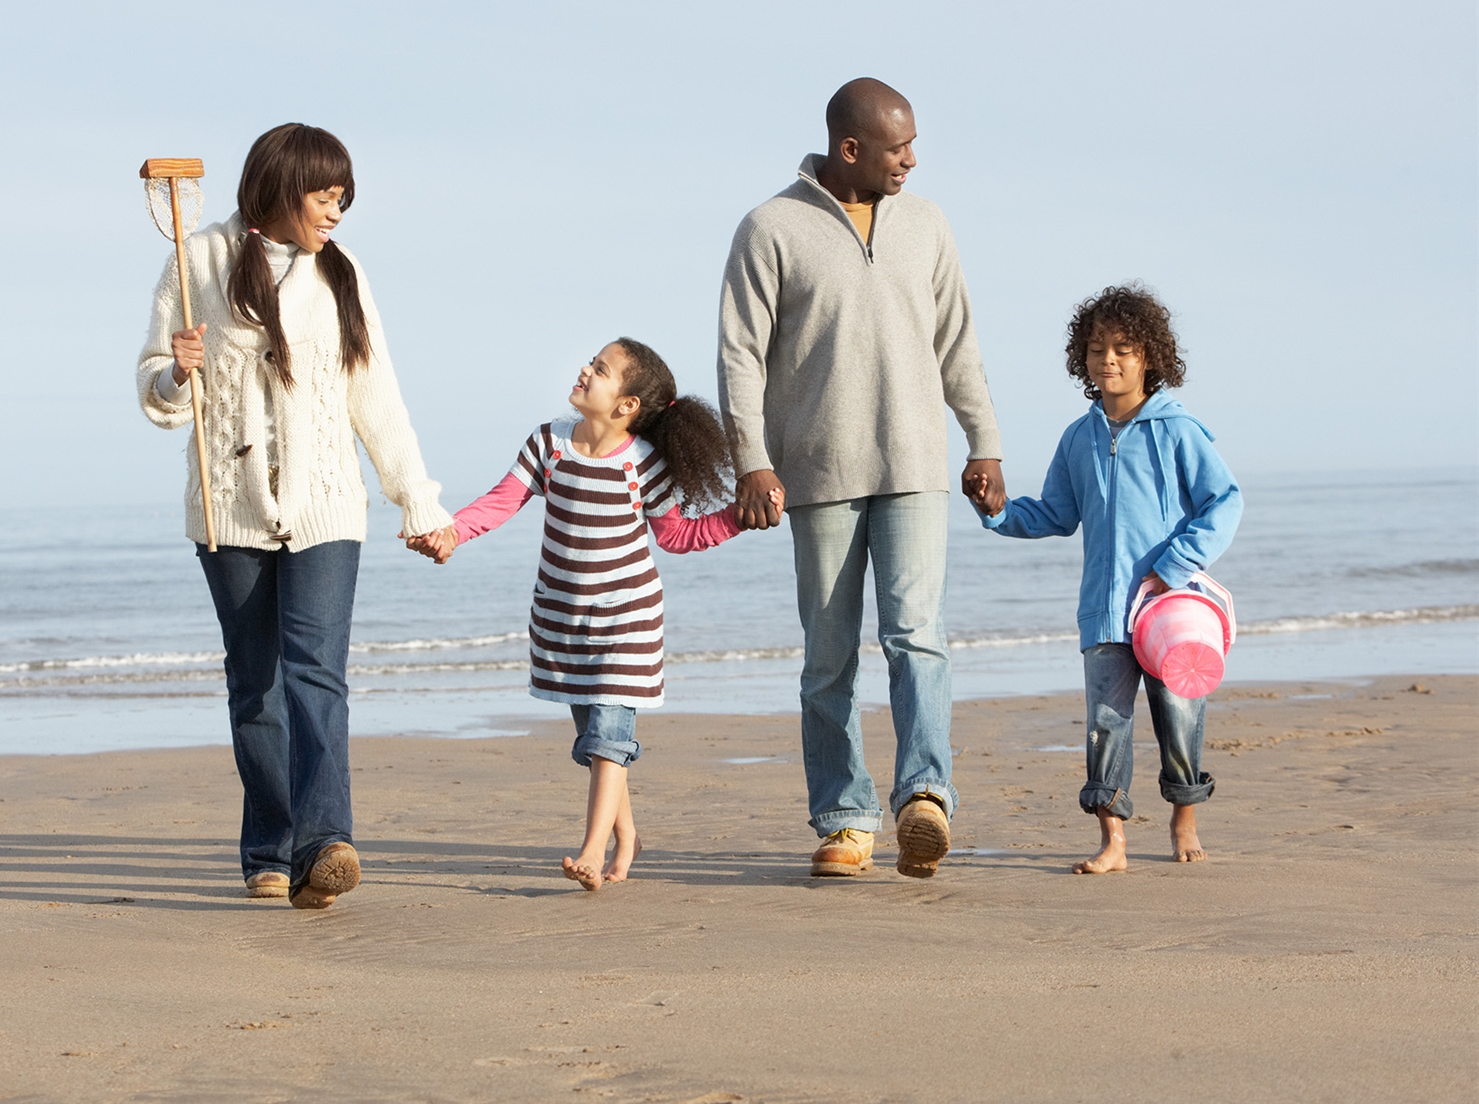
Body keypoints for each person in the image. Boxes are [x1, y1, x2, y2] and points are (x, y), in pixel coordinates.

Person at [136, 124, 452, 908]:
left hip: (327, 506)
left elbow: (376, 398)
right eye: (324, 195)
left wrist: (418, 500)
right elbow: (156, 394)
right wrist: (177, 372)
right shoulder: (197, 259)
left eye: (343, 198)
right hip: (229, 509)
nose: (336, 211)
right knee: (256, 685)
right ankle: (268, 851)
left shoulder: (342, 276)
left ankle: (324, 843)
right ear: (281, 187)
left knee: (317, 673)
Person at [718, 77, 1005, 879]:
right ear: (852, 149)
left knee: (917, 634)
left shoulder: (928, 223)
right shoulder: (770, 227)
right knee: (830, 656)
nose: (912, 160)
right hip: (818, 472)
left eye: (913, 145)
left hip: (916, 465)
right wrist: (752, 459)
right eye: (898, 147)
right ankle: (845, 819)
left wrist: (984, 440)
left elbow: (958, 341)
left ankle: (925, 799)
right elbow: (739, 355)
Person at [410, 340, 780, 891]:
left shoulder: (643, 465)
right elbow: (501, 499)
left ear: (627, 405)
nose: (586, 369)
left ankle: (591, 849)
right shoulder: (549, 444)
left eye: (601, 369)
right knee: (599, 746)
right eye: (592, 361)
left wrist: (736, 519)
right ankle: (627, 835)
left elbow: (677, 535)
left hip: (627, 620)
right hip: (562, 622)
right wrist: (452, 532)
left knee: (609, 736)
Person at [966, 284, 1241, 872]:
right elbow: (1056, 515)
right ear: (1081, 360)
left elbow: (1225, 502)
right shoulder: (1078, 438)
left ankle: (1184, 817)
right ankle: (1114, 842)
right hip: (1103, 610)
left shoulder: (1178, 430)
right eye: (1096, 349)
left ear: (1150, 358)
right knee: (1106, 726)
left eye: (1122, 348)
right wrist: (996, 508)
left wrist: (1174, 567)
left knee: (1180, 719)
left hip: (1170, 610)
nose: (1108, 359)